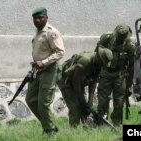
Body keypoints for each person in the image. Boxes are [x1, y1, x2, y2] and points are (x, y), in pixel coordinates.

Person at [25, 7, 65, 136]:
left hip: (50, 70)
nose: (37, 20)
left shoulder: (51, 32)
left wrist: (43, 62)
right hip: (38, 70)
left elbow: (60, 52)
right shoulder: (37, 32)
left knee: (43, 102)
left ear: (46, 17)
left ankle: (50, 131)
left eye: (40, 17)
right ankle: (49, 126)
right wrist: (37, 63)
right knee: (30, 99)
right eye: (35, 18)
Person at [57, 47, 113, 128]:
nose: (103, 65)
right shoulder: (85, 60)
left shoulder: (99, 64)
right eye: (103, 62)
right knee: (75, 106)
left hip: (80, 82)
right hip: (66, 80)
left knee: (86, 108)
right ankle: (73, 131)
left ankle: (87, 128)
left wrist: (90, 102)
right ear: (98, 57)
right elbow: (75, 82)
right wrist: (81, 100)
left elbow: (93, 82)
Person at [95, 24, 136, 127]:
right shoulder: (106, 38)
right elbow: (97, 54)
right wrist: (97, 73)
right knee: (103, 100)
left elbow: (131, 65)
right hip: (105, 73)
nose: (121, 40)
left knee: (119, 101)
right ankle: (102, 123)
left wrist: (129, 84)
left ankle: (116, 124)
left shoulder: (130, 45)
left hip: (120, 75)